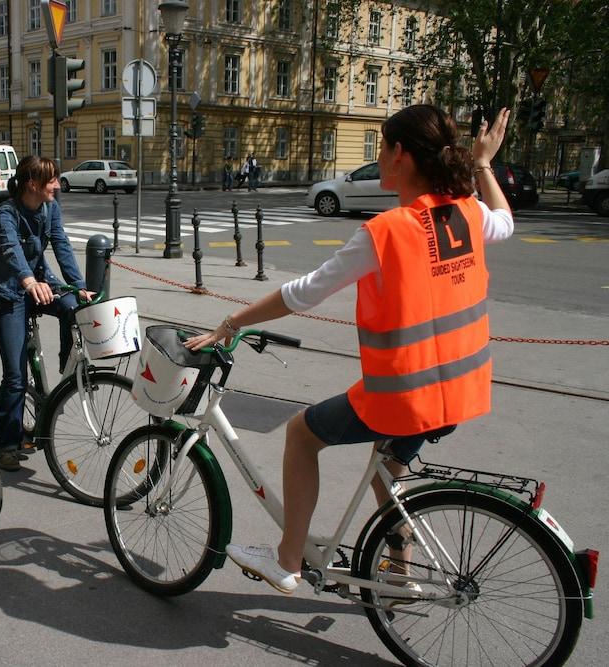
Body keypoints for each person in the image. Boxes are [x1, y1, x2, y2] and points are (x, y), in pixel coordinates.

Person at [186, 105, 513, 594]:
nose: (378, 157)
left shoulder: (388, 231)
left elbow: (303, 293)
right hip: (459, 389)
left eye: (381, 147)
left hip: (406, 393)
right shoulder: (467, 214)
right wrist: (484, 163)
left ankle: (287, 558)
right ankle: (399, 568)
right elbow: (505, 221)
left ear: (400, 155)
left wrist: (232, 321)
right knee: (387, 469)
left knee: (301, 435)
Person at [0, 156, 93, 472]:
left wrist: (79, 286)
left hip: (41, 284)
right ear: (33, 184)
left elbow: (62, 246)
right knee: (15, 376)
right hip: (12, 293)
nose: (57, 186)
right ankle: (6, 444)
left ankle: (66, 369)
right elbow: (11, 251)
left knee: (73, 307)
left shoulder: (50, 208)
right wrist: (28, 280)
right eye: (52, 181)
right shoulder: (5, 214)